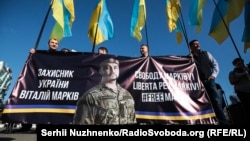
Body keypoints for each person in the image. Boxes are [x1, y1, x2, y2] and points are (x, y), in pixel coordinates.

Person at [73, 58, 137, 125]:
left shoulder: (127, 95)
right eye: (108, 68)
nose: (113, 71)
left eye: (115, 68)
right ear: (101, 71)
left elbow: (132, 120)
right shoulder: (91, 96)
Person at [188, 39, 229, 125]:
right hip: (198, 84)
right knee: (200, 103)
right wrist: (189, 60)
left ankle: (223, 122)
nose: (198, 45)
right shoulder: (189, 57)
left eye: (198, 43)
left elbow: (215, 65)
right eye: (195, 44)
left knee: (215, 102)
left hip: (209, 81)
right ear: (191, 47)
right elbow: (187, 71)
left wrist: (213, 76)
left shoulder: (206, 54)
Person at [228, 58, 250, 124]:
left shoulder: (248, 70)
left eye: (241, 63)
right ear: (235, 65)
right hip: (242, 93)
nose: (240, 65)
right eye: (238, 64)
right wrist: (243, 75)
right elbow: (232, 82)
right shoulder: (232, 73)